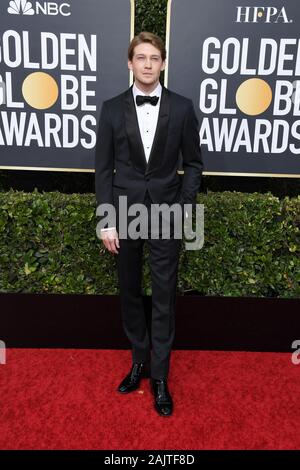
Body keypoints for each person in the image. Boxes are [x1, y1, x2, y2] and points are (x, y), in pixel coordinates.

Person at [95, 31, 203, 416]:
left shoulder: (183, 108)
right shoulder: (109, 109)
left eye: (154, 58)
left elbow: (193, 164)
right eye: (140, 57)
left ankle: (160, 375)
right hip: (123, 216)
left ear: (163, 63)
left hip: (165, 215)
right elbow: (103, 169)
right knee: (128, 292)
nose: (147, 64)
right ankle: (138, 360)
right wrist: (107, 220)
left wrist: (183, 207)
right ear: (130, 63)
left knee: (163, 297)